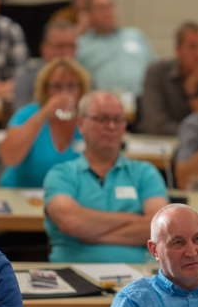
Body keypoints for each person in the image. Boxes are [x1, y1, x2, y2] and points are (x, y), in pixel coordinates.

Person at [43, 91, 169, 263]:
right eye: (102, 119)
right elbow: (70, 221)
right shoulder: (61, 174)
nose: (111, 126)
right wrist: (132, 219)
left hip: (138, 274)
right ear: (81, 123)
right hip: (73, 272)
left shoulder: (145, 172)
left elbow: (160, 228)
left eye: (118, 119)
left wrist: (93, 234)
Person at [0, 58, 91, 187]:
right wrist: (41, 116)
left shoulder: (89, 119)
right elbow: (8, 158)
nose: (64, 92)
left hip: (69, 195)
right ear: (45, 88)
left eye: (71, 86)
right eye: (57, 86)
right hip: (22, 193)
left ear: (81, 89)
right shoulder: (27, 114)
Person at [138, 21, 198, 136]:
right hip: (162, 142)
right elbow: (156, 124)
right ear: (178, 50)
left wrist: (193, 92)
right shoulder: (157, 72)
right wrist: (194, 135)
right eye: (192, 47)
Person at [76, 0, 156, 97]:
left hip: (143, 99)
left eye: (110, 6)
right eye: (101, 8)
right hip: (105, 103)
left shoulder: (135, 35)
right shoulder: (82, 45)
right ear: (89, 15)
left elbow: (155, 67)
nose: (107, 11)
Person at [12, 19, 78, 112]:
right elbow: (22, 118)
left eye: (71, 46)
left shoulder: (86, 78)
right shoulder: (26, 79)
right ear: (43, 49)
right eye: (59, 46)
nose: (65, 52)